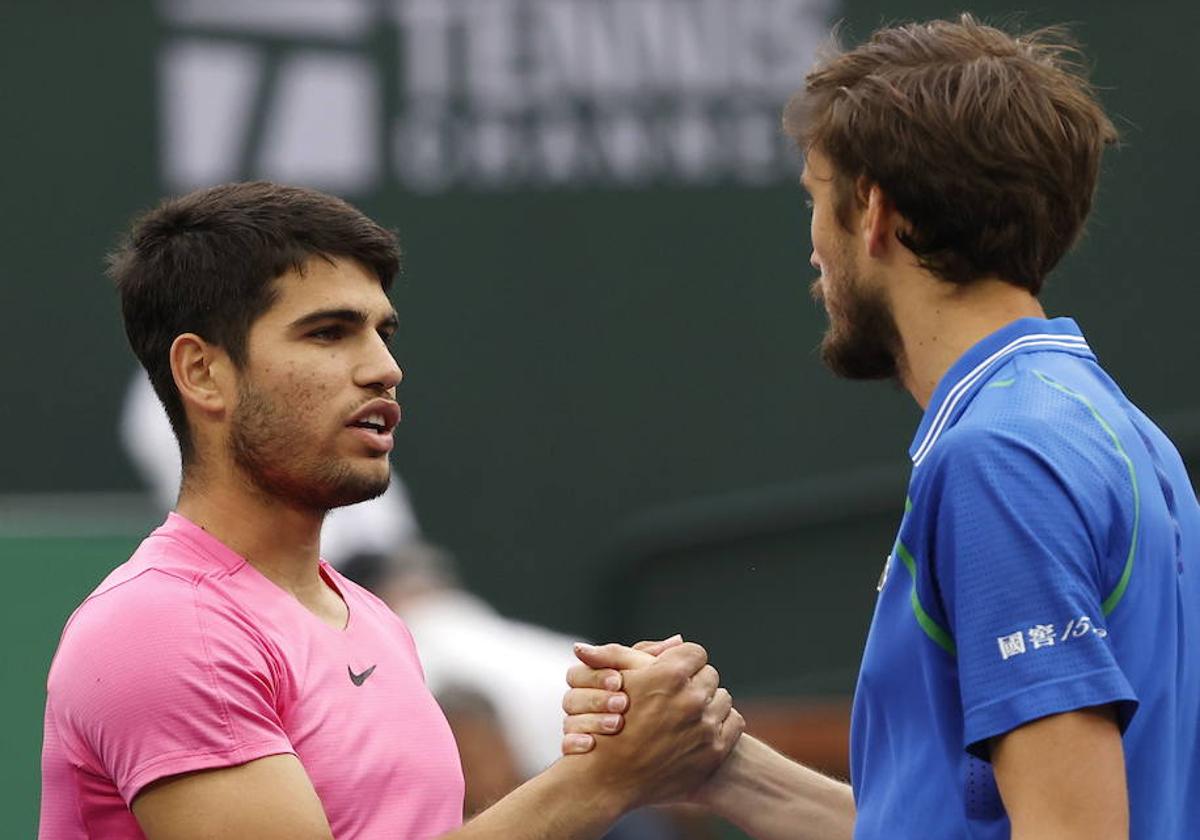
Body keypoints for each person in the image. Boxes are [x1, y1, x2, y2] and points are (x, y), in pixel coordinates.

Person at [561, 15, 1200, 839]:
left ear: (875, 214)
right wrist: (720, 765)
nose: (815, 251)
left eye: (815, 202)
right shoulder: (1109, 431)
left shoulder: (998, 459)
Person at [39, 181, 743, 839]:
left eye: (383, 332)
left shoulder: (371, 621)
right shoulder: (166, 628)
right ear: (202, 372)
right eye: (329, 332)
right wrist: (600, 782)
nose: (384, 367)